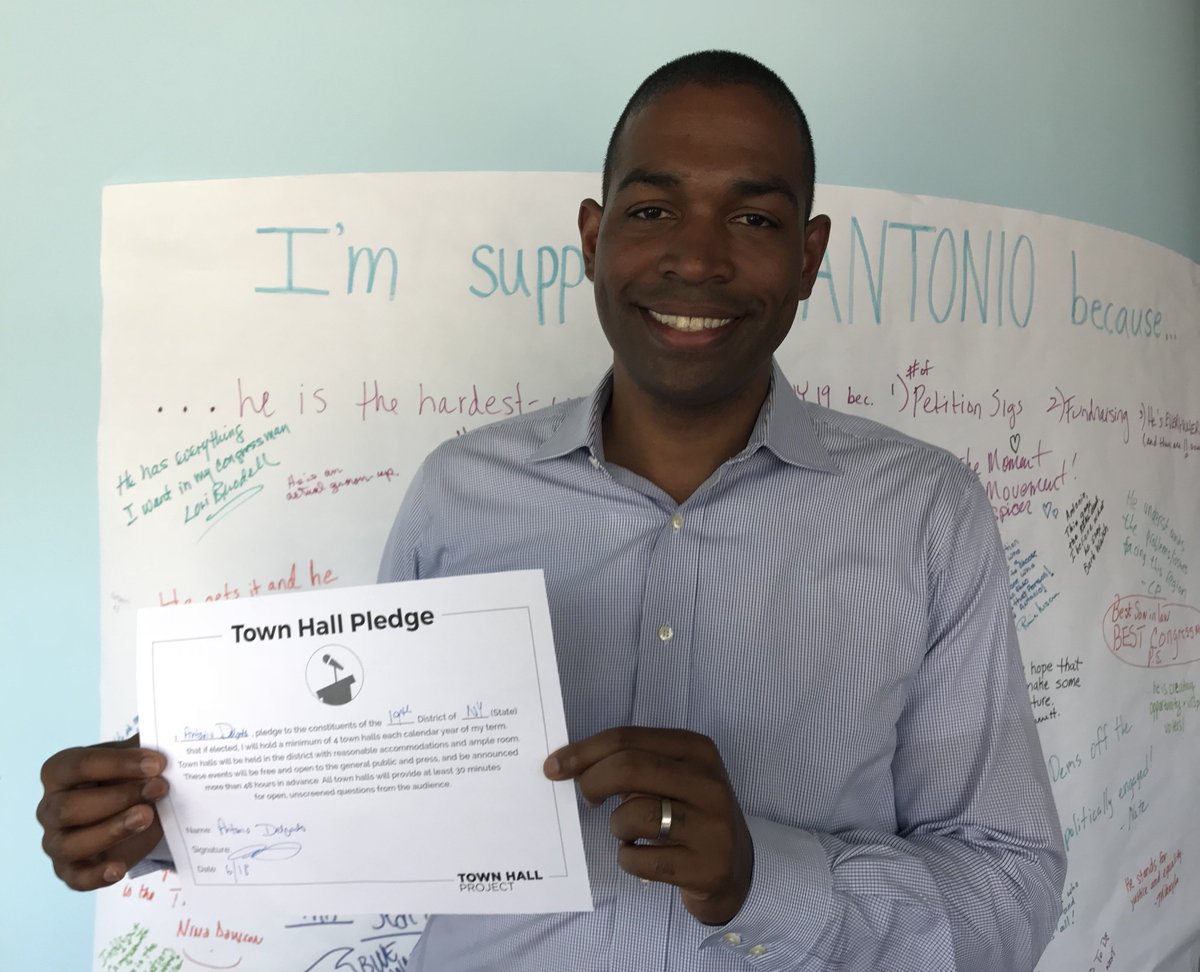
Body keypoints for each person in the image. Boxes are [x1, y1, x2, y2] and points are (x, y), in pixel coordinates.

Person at [38, 50, 1065, 971]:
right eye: (652, 211)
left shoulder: (927, 514)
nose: (697, 259)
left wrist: (762, 877)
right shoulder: (461, 492)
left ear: (808, 255)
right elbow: (374, 792)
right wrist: (160, 821)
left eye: (754, 219)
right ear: (592, 236)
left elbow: (1010, 891)